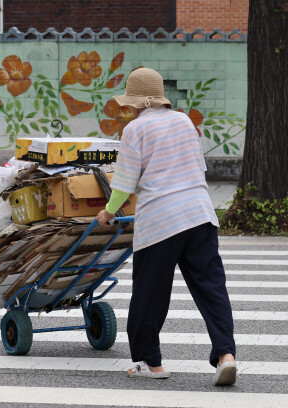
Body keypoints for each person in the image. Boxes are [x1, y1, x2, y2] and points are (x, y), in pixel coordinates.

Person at [95, 67, 237, 386]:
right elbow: (197, 167)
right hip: (200, 214)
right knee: (211, 288)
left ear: (135, 103)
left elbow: (126, 182)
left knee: (150, 292)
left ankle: (150, 363)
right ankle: (226, 354)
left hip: (161, 220)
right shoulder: (184, 120)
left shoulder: (135, 129)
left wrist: (108, 211)